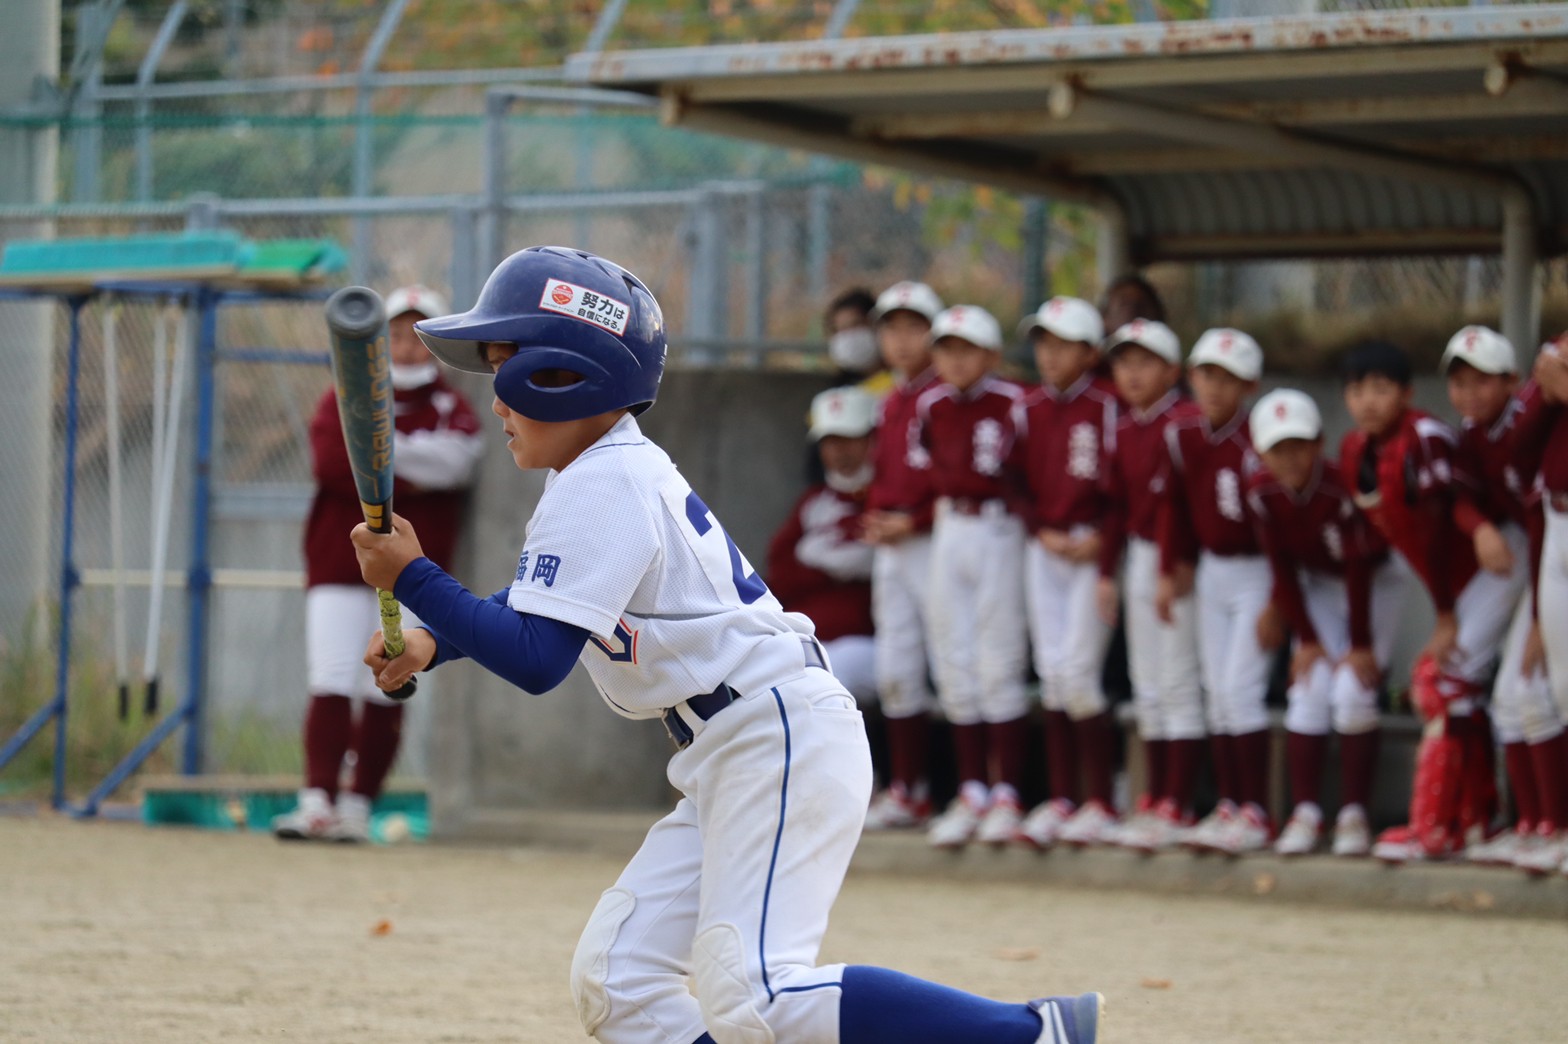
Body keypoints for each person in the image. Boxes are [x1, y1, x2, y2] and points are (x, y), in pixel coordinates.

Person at [349, 246, 1106, 1044]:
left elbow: (539, 660)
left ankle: (1031, 1034)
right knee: (621, 981)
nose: (496, 400)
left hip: (773, 736)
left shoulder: (606, 480)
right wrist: (434, 638)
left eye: (504, 368)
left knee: (759, 995)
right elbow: (549, 607)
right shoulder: (601, 471)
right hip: (740, 745)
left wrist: (416, 576)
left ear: (565, 374)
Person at [272, 284, 484, 842]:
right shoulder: (343, 396)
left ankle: (358, 807)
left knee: (388, 682)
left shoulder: (450, 406)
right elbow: (330, 463)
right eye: (393, 335)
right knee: (333, 677)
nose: (405, 348)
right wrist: (407, 463)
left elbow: (456, 465)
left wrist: (377, 452)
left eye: (417, 336)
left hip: (415, 572)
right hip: (339, 561)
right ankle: (316, 799)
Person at [1338, 341, 1514, 864]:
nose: (1368, 401)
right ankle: (1473, 821)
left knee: (1437, 682)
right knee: (1454, 692)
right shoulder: (1355, 450)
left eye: (1381, 388)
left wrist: (1443, 613)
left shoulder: (1426, 435)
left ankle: (1432, 825)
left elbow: (1444, 520)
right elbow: (1364, 548)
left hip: (1493, 561)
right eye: (1357, 389)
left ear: (1407, 393)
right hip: (1457, 581)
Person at [1246, 389, 1408, 857]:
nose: (1290, 458)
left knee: (1353, 689)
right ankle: (1308, 812)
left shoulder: (1340, 486)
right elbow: (1282, 567)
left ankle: (1355, 813)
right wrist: (1309, 640)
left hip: (1375, 582)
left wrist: (1359, 645)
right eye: (1278, 448)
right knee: (1309, 686)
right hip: (1318, 584)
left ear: (1319, 443)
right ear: (1262, 454)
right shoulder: (1262, 492)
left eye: (1299, 445)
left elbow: (1358, 566)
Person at [1435, 327, 1562, 870]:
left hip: (1542, 555)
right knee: (1510, 696)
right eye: (1458, 382)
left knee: (1534, 690)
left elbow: (1537, 521)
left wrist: (1537, 614)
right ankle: (1530, 824)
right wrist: (1481, 528)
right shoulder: (1470, 431)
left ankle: (1554, 825)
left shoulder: (1529, 419)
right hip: (1526, 553)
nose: (1469, 394)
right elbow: (1460, 500)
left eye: (1482, 381)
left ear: (1512, 382)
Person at [916, 305, 1032, 849]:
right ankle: (971, 793)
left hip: (999, 528)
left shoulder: (1014, 403)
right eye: (946, 348)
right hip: (949, 526)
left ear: (990, 355)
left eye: (967, 349)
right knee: (954, 658)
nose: (955, 360)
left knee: (997, 658)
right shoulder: (931, 404)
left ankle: (1006, 792)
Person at [1156, 329, 1274, 856]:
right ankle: (1229, 805)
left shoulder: (1261, 439)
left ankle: (1255, 809)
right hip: (1211, 570)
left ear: (1248, 384)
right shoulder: (1183, 434)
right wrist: (1173, 565)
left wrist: (1279, 602)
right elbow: (1176, 505)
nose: (1213, 387)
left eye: (1227, 378)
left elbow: (1276, 525)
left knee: (1240, 691)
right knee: (1216, 694)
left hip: (1258, 572)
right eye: (1206, 374)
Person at [1012, 297, 1121, 849]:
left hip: (1092, 550)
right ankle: (1062, 799)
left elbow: (1123, 485)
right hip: (1046, 547)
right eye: (1043, 343)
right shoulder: (1028, 408)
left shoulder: (1107, 405)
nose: (1050, 355)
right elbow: (1015, 483)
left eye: (1063, 344)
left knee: (1079, 672)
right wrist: (1040, 529)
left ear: (1090, 351)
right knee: (1053, 672)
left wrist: (1104, 542)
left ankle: (1100, 800)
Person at [1094, 320, 1205, 855]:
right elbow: (1116, 507)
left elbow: (1177, 505)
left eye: (1145, 363)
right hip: (1138, 555)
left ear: (1171, 371)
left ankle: (1177, 804)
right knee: (1149, 684)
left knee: (1177, 680)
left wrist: (1169, 566)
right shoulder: (1123, 424)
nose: (1132, 374)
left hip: (1177, 562)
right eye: (1124, 362)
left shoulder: (1181, 422)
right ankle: (1155, 799)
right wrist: (1103, 574)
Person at [860, 281, 945, 830]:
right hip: (893, 546)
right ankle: (907, 791)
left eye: (915, 327)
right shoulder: (890, 398)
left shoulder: (943, 396)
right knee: (898, 670)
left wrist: (913, 519)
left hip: (935, 541)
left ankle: (972, 791)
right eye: (892, 327)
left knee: (958, 666)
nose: (902, 339)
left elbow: (958, 481)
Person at [766, 386, 878, 706]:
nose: (840, 451)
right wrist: (829, 569)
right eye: (830, 441)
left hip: (868, 641)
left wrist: (820, 559)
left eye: (850, 438)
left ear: (872, 438)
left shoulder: (887, 500)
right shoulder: (814, 503)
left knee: (824, 680)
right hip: (807, 636)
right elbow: (779, 574)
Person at [1516, 331, 1568, 876]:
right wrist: (1544, 387)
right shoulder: (1561, 348)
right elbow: (1521, 447)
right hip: (1556, 522)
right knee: (1561, 686)